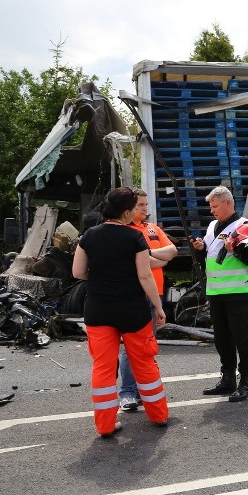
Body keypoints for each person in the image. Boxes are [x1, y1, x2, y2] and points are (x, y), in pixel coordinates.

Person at [72, 186, 169, 436]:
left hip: (98, 310)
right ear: (126, 212)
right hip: (132, 310)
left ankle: (105, 426)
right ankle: (158, 416)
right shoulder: (133, 238)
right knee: (144, 363)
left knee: (103, 368)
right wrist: (158, 307)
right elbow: (145, 274)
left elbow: (78, 272)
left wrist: (103, 273)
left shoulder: (89, 236)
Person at [191, 185, 248, 402]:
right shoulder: (212, 226)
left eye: (215, 206)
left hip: (237, 290)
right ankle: (227, 378)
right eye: (211, 207)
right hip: (216, 291)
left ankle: (246, 382)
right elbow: (209, 258)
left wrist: (235, 249)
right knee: (221, 338)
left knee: (241, 337)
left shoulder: (246, 226)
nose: (212, 211)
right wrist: (200, 249)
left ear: (228, 203)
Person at [118, 188, 178, 412]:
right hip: (134, 294)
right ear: (129, 209)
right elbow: (147, 262)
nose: (145, 209)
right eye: (140, 205)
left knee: (147, 346)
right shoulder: (123, 230)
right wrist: (155, 257)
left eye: (145, 204)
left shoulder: (153, 228)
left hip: (155, 294)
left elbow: (172, 251)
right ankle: (127, 393)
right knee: (130, 347)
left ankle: (144, 391)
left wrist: (149, 255)